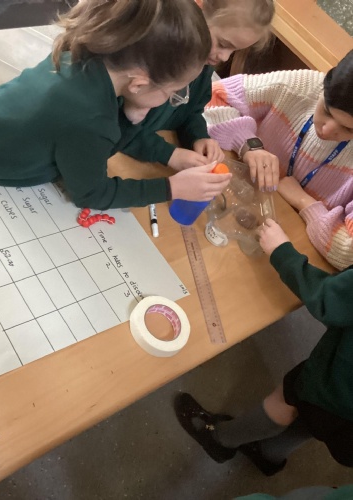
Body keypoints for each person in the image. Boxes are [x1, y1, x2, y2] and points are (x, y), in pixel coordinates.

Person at [0, 0, 233, 211]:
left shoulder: (93, 58)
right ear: (139, 83)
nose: (173, 100)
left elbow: (99, 145)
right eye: (174, 93)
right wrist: (170, 188)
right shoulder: (89, 116)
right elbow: (91, 193)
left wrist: (133, 118)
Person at [174, 218, 353, 476]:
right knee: (321, 424)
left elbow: (327, 298)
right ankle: (269, 455)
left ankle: (220, 440)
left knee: (289, 399)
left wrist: (281, 251)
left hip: (337, 386)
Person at [204, 49, 353, 270]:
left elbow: (348, 254)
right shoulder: (302, 86)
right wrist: (248, 145)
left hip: (286, 249)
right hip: (236, 204)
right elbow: (214, 97)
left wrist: (303, 201)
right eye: (327, 111)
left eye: (349, 129)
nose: (326, 129)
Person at [120, 0, 276, 189]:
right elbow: (116, 125)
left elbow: (190, 112)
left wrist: (198, 137)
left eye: (234, 50)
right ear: (198, 10)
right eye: (222, 44)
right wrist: (169, 154)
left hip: (141, 161)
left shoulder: (202, 65)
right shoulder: (150, 54)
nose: (225, 57)